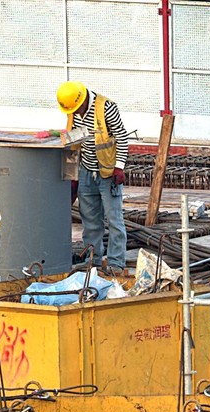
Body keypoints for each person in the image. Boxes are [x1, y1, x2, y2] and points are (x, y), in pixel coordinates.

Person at [58, 81, 131, 272]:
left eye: (77, 108)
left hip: (107, 173)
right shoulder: (72, 109)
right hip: (85, 172)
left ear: (83, 100)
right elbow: (74, 138)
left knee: (114, 220)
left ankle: (116, 263)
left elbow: (122, 137)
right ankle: (93, 260)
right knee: (90, 221)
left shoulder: (106, 107)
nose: (76, 112)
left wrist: (119, 167)